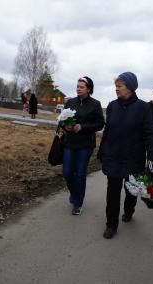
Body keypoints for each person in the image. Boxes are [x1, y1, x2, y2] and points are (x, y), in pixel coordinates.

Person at [98, 72, 153, 239]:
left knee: (131, 190)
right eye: (116, 86)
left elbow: (149, 133)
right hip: (114, 156)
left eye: (120, 86)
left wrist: (152, 155)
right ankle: (111, 225)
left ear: (130, 87)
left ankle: (129, 211)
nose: (116, 89)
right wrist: (102, 150)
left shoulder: (143, 108)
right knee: (112, 192)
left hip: (134, 157)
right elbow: (107, 131)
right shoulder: (112, 106)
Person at [62, 76, 104, 215]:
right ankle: (74, 193)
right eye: (77, 86)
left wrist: (83, 127)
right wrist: (65, 127)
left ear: (89, 89)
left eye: (81, 87)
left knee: (80, 174)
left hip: (85, 144)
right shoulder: (70, 102)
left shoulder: (95, 104)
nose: (78, 89)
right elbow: (62, 120)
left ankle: (77, 203)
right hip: (70, 142)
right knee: (67, 172)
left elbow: (100, 124)